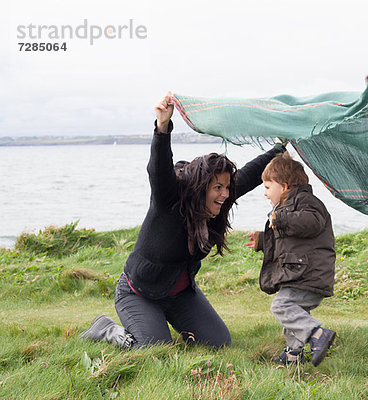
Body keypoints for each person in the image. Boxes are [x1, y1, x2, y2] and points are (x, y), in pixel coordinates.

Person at [80, 92, 287, 348]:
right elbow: (159, 168)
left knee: (219, 343)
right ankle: (107, 329)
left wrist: (280, 147)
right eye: (218, 188)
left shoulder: (218, 202)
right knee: (154, 349)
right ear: (201, 188)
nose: (225, 195)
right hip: (139, 294)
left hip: (180, 295)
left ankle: (166, 322)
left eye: (227, 188)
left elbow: (250, 173)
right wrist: (162, 127)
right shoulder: (169, 200)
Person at [246, 152, 336, 366]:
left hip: (307, 274)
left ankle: (317, 334)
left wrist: (281, 219)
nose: (265, 193)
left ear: (284, 186)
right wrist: (262, 241)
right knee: (294, 316)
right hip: (299, 272)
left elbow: (311, 223)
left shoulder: (307, 202)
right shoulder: (286, 208)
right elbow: (289, 240)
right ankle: (294, 355)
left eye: (268, 187)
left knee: (282, 307)